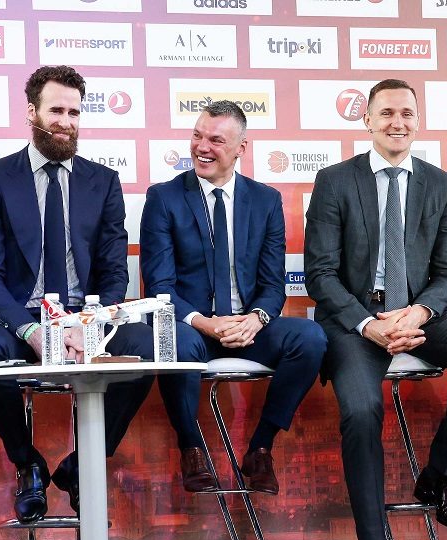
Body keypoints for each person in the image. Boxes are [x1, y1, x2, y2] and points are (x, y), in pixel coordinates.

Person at [304, 79, 447, 540]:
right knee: (361, 411)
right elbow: (320, 274)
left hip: (418, 313)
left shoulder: (441, 184)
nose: (397, 122)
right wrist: (367, 324)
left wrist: (418, 313)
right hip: (356, 320)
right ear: (367, 121)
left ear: (418, 122)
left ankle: (439, 475)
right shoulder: (334, 181)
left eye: (406, 114)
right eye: (386, 113)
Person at [0, 65, 153, 523]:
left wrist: (91, 325)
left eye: (74, 113)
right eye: (56, 111)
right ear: (32, 112)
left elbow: (114, 271)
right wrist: (32, 332)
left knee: (145, 347)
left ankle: (83, 465)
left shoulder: (103, 181)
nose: (66, 122)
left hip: (84, 315)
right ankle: (27, 462)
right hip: (20, 314)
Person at [140, 100, 326, 494]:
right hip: (193, 326)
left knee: (310, 338)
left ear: (241, 148)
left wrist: (255, 319)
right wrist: (205, 323)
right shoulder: (164, 198)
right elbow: (159, 286)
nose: (202, 147)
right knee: (175, 343)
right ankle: (191, 449)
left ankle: (261, 448)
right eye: (197, 136)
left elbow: (273, 285)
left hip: (247, 326)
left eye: (216, 140)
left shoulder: (265, 200)